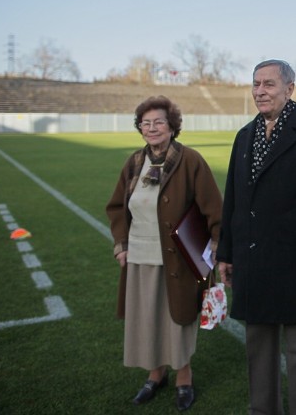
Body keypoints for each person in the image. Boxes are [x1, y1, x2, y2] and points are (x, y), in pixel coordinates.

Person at [217, 60, 296, 415]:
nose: (260, 91)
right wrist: (227, 252)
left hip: (295, 262)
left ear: (290, 88)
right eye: (255, 84)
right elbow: (233, 201)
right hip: (251, 260)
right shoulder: (244, 136)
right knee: (259, 350)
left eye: (268, 84)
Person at [107, 95, 223, 411]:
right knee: (146, 319)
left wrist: (216, 245)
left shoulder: (190, 161)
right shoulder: (133, 162)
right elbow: (117, 207)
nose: (152, 128)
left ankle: (184, 377)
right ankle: (155, 374)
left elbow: (213, 207)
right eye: (146, 123)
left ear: (172, 126)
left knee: (178, 319)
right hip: (140, 257)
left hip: (178, 259)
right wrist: (122, 247)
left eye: (159, 121)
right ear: (139, 128)